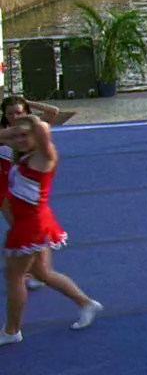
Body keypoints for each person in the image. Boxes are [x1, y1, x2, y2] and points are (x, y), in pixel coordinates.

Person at [0, 116, 102, 346]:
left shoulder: (45, 155)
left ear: (36, 136)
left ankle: (11, 330)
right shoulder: (26, 153)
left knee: (14, 277)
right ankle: (85, 303)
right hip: (32, 220)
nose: (19, 139)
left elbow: (44, 128)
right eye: (16, 135)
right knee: (42, 272)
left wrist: (29, 120)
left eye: (25, 135)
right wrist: (17, 131)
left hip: (31, 225)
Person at [0, 96, 59, 293]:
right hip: (6, 185)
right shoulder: (8, 133)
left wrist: (27, 102)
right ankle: (33, 270)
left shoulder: (32, 131)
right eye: (10, 113)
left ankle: (37, 272)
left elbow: (52, 112)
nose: (15, 117)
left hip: (24, 187)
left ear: (26, 112)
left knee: (26, 230)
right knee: (19, 229)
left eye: (19, 112)